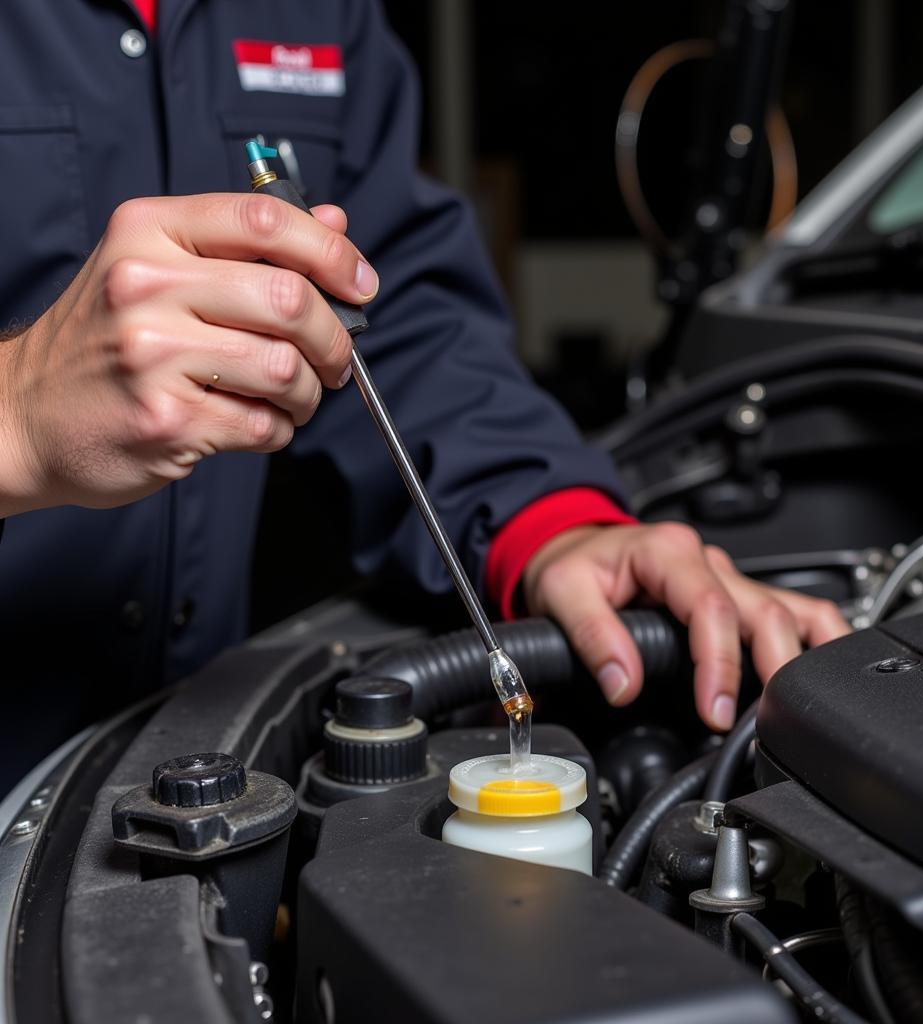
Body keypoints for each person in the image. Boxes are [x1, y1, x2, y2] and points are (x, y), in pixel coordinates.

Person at [0, 0, 847, 790]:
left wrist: (548, 526)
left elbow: (389, 320)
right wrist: (19, 416)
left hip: (172, 774)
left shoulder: (318, 12)